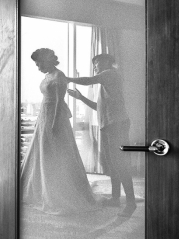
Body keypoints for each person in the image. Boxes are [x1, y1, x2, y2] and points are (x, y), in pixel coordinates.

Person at [20, 48, 99, 215]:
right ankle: (39, 189)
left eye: (39, 63)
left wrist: (54, 124)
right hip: (44, 115)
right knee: (42, 151)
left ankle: (58, 192)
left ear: (47, 61)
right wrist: (40, 122)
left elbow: (57, 102)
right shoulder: (47, 76)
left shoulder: (59, 76)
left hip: (55, 117)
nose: (38, 67)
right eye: (36, 64)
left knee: (56, 152)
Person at [67, 53, 137, 217]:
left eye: (97, 62)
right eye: (94, 64)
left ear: (107, 62)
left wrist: (68, 78)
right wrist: (81, 97)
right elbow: (97, 107)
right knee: (113, 163)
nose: (95, 66)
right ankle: (115, 198)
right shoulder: (106, 81)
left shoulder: (110, 74)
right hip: (110, 126)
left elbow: (88, 80)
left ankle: (131, 202)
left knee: (120, 163)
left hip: (117, 125)